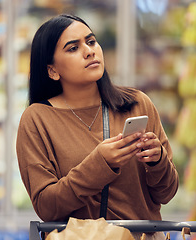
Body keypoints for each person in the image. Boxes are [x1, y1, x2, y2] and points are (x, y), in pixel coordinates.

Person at [16, 14, 179, 239]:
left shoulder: (137, 104)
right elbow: (47, 206)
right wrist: (100, 164)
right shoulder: (37, 119)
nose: (89, 51)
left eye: (91, 41)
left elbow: (166, 193)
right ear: (52, 70)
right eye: (73, 48)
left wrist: (158, 160)